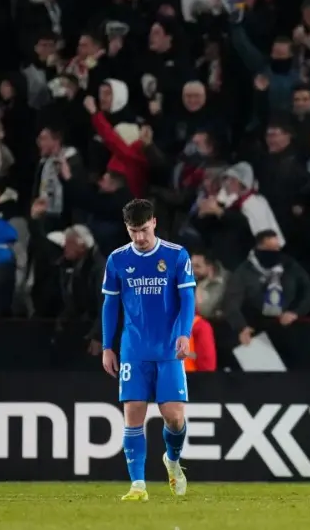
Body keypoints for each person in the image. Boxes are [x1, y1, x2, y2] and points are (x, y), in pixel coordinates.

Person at [100, 199, 196, 501]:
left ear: (154, 223)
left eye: (143, 230)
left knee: (174, 419)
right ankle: (138, 485)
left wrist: (185, 334)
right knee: (133, 416)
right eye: (132, 231)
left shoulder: (176, 255)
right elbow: (110, 305)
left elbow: (188, 299)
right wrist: (107, 347)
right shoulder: (117, 259)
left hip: (168, 349)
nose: (139, 238)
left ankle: (172, 459)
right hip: (133, 349)